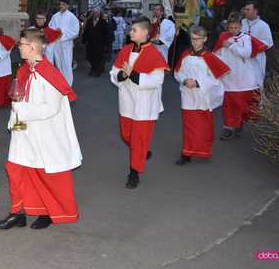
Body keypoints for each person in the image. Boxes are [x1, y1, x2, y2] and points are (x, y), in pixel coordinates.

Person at [0, 28, 82, 230]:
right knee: (16, 169)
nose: (19, 47)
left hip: (44, 135)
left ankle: (47, 211)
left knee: (42, 174)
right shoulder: (24, 70)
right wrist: (15, 122)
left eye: (21, 44)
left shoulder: (49, 74)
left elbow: (50, 108)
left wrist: (21, 110)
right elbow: (19, 99)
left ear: (32, 47)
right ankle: (17, 213)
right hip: (23, 131)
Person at [110, 16, 168, 189]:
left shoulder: (154, 53)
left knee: (138, 139)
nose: (130, 32)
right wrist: (121, 75)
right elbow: (114, 71)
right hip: (127, 101)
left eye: (134, 30)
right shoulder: (126, 49)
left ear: (144, 32)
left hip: (144, 105)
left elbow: (158, 79)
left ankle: (134, 173)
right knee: (126, 135)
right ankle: (141, 151)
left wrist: (133, 75)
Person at [173, 25, 229, 165]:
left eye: (198, 39)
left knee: (204, 126)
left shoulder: (210, 57)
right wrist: (184, 80)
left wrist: (198, 83)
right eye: (193, 39)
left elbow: (216, 79)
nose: (195, 42)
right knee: (188, 125)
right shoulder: (185, 55)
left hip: (203, 96)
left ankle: (204, 151)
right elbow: (177, 72)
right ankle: (186, 153)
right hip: (188, 95)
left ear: (205, 39)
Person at [213, 12, 262, 140]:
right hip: (229, 77)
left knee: (242, 104)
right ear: (227, 27)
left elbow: (246, 53)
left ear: (240, 26)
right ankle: (228, 128)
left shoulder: (246, 38)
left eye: (235, 28)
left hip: (243, 77)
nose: (233, 30)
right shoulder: (224, 38)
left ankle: (239, 124)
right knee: (228, 105)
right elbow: (219, 54)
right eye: (230, 28)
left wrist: (231, 45)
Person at [241, 1, 273, 89]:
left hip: (257, 58)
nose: (245, 11)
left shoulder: (263, 25)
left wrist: (254, 44)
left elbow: (269, 42)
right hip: (242, 57)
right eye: (245, 9)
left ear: (255, 11)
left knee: (256, 80)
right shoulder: (241, 23)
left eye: (248, 9)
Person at [49, 0, 80, 85]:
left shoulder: (72, 17)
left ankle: (68, 85)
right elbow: (50, 27)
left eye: (63, 4)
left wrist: (62, 34)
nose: (61, 6)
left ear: (67, 6)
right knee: (58, 63)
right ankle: (60, 83)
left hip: (66, 44)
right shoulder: (55, 16)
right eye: (60, 4)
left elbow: (75, 31)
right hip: (57, 43)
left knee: (66, 64)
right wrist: (55, 32)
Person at [81, 8, 110, 77]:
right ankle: (93, 68)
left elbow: (107, 33)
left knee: (98, 58)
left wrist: (106, 44)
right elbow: (86, 31)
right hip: (90, 43)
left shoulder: (103, 22)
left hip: (99, 43)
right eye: (94, 13)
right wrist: (83, 40)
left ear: (99, 14)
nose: (95, 14)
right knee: (90, 57)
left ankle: (97, 71)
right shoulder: (89, 21)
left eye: (97, 13)